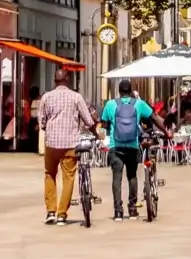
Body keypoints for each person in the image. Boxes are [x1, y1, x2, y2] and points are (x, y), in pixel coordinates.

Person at [37, 69, 92, 225]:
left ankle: (50, 211)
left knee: (49, 174)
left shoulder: (46, 97)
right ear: (67, 80)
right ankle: (62, 214)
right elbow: (88, 121)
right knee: (68, 177)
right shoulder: (76, 97)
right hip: (70, 144)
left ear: (54, 81)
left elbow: (41, 122)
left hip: (52, 144)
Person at [101, 78, 156, 218]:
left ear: (119, 92)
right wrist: (166, 132)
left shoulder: (110, 104)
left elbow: (104, 124)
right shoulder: (139, 104)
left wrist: (110, 128)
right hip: (132, 146)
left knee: (116, 178)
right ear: (131, 91)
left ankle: (118, 211)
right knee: (132, 176)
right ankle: (132, 209)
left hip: (116, 146)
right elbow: (153, 117)